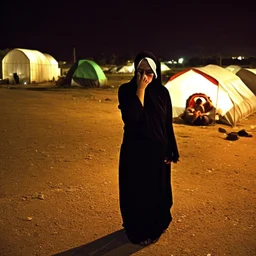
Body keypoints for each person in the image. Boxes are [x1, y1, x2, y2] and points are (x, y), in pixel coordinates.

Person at [117, 51, 179, 246]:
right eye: (140, 72)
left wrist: (171, 149)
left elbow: (167, 123)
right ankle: (137, 230)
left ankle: (156, 226)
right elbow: (133, 117)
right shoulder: (126, 90)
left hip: (157, 152)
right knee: (136, 191)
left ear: (156, 72)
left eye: (149, 72)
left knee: (156, 191)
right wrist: (140, 89)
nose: (145, 76)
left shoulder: (162, 92)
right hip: (134, 152)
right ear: (135, 72)